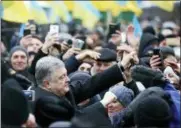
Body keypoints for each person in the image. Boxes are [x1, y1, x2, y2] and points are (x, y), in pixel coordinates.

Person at [33, 49, 137, 127]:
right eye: (62, 77)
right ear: (47, 84)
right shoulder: (44, 104)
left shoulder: (60, 91)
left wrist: (121, 65)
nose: (68, 79)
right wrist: (103, 103)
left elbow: (91, 84)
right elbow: (77, 120)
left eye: (66, 75)